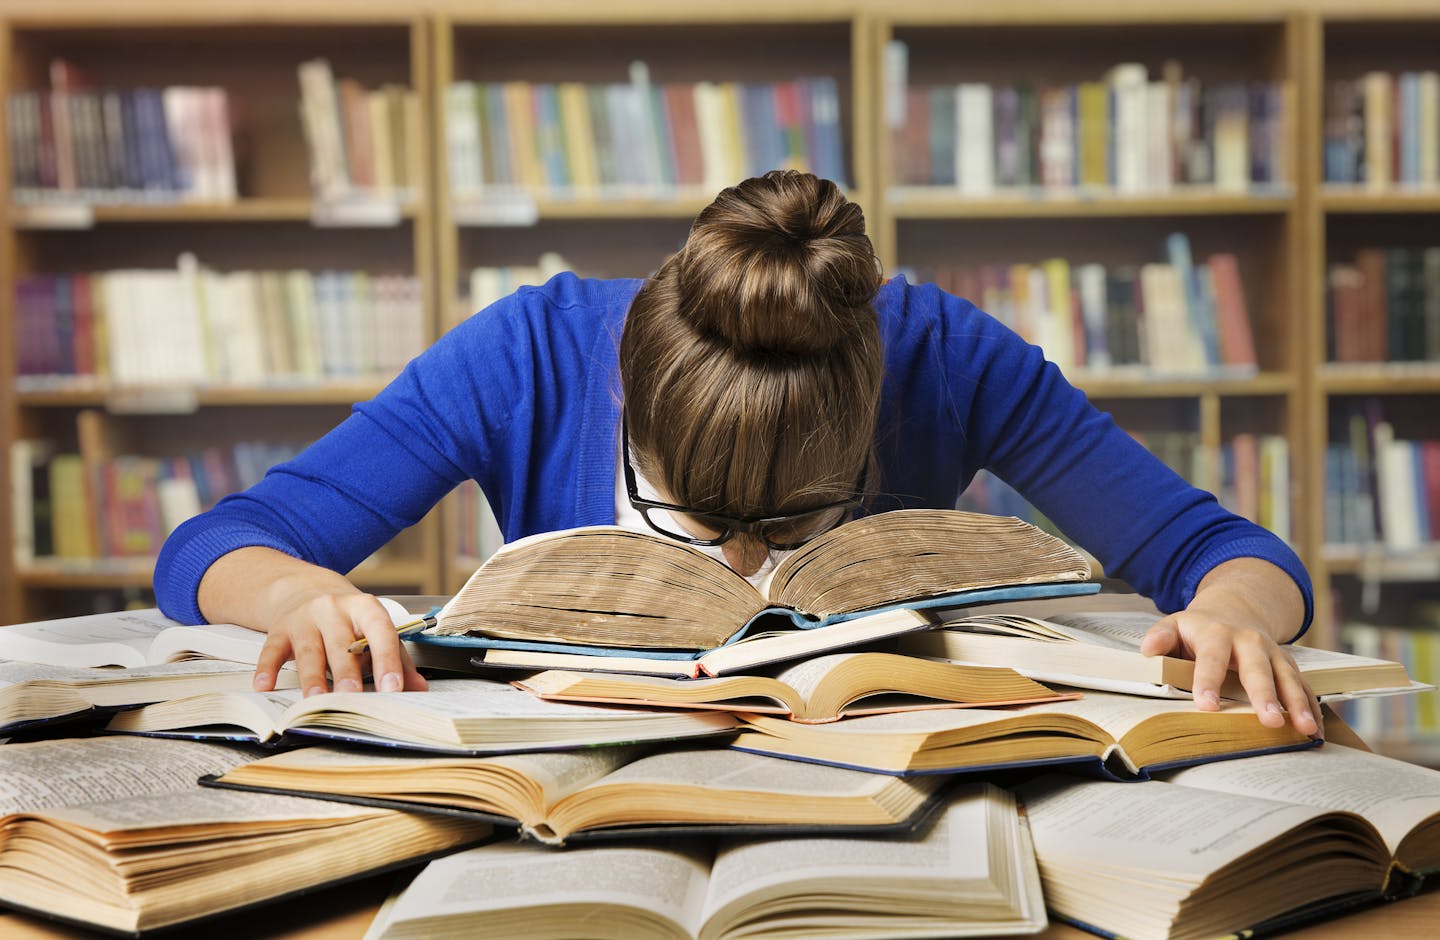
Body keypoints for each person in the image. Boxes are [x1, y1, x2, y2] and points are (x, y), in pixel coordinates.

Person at [154, 170, 1320, 737]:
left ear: (874, 404)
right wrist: (300, 591)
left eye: (800, 528)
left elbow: (1221, 549)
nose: (748, 578)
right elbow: (213, 547)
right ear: (628, 407)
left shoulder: (944, 355)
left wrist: (1234, 614)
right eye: (690, 523)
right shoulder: (530, 355)